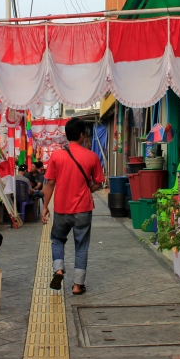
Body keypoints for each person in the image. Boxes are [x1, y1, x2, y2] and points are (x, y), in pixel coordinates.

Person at [42, 117, 104, 295]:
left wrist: (45, 206)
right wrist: (87, 190)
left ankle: (59, 269)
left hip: (61, 208)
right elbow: (98, 182)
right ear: (82, 135)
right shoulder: (91, 156)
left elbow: (50, 183)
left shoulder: (57, 155)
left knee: (57, 240)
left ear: (67, 135)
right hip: (83, 209)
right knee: (81, 246)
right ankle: (78, 285)